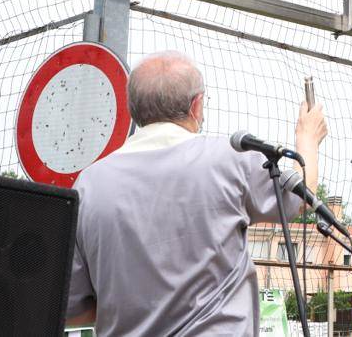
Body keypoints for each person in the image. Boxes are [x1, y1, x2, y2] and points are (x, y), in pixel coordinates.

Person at [65, 51, 327, 335]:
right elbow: (300, 195)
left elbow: (73, 309)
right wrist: (307, 138)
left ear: (132, 109)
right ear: (197, 105)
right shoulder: (229, 159)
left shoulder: (89, 185)